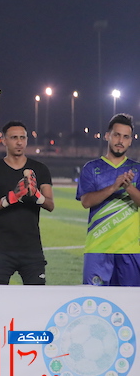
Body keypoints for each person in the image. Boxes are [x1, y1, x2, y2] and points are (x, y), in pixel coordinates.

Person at [0, 121, 54, 284]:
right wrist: (11, 198)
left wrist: (36, 195)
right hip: (0, 250)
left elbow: (50, 205)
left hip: (31, 249)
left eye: (23, 138)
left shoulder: (40, 169)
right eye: (14, 138)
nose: (19, 142)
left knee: (36, 297)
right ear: (4, 140)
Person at [76, 113, 140, 286]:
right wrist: (114, 187)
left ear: (130, 141)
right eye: (117, 135)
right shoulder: (91, 168)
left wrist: (129, 187)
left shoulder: (137, 169)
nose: (120, 140)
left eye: (125, 137)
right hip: (98, 249)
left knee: (130, 301)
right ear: (107, 136)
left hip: (130, 249)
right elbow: (86, 201)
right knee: (95, 300)